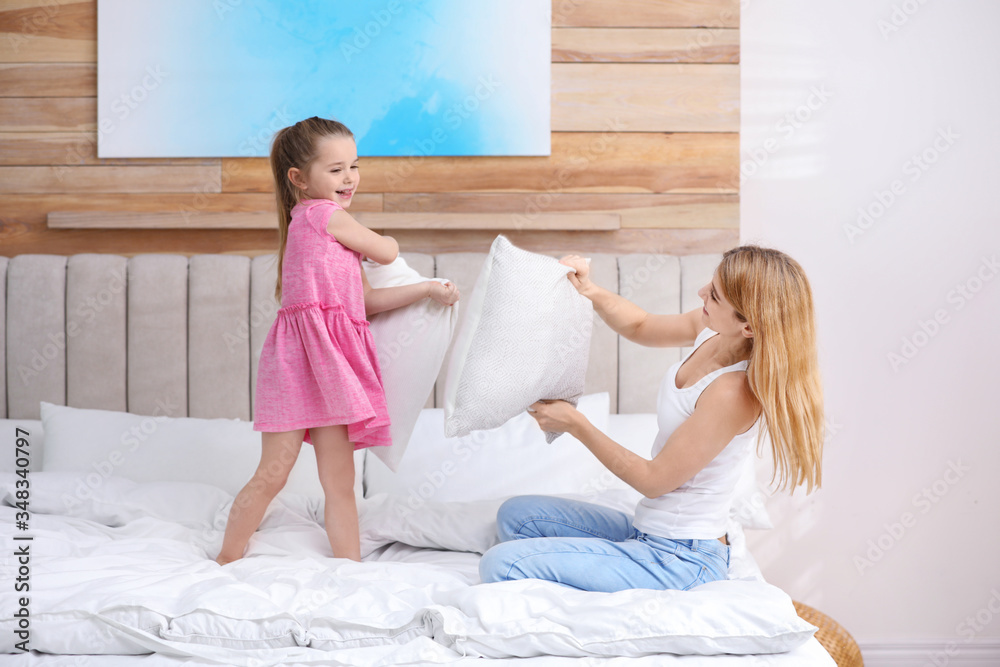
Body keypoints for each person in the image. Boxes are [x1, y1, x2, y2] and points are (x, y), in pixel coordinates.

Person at [479, 245, 823, 592]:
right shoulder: (713, 330)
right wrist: (589, 290)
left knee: (501, 564)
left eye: (715, 296)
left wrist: (576, 425)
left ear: (747, 326)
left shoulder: (733, 392)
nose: (702, 293)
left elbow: (653, 480)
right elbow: (641, 325)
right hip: (649, 529)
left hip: (682, 558)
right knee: (516, 515)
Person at [216, 117, 458, 565]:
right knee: (283, 475)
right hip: (300, 361)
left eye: (355, 166)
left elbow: (363, 303)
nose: (349, 178)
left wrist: (426, 289)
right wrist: (389, 240)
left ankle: (350, 570)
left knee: (329, 480)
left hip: (332, 364)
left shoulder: (319, 228)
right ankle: (224, 562)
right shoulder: (326, 216)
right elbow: (387, 251)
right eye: (336, 169)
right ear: (299, 180)